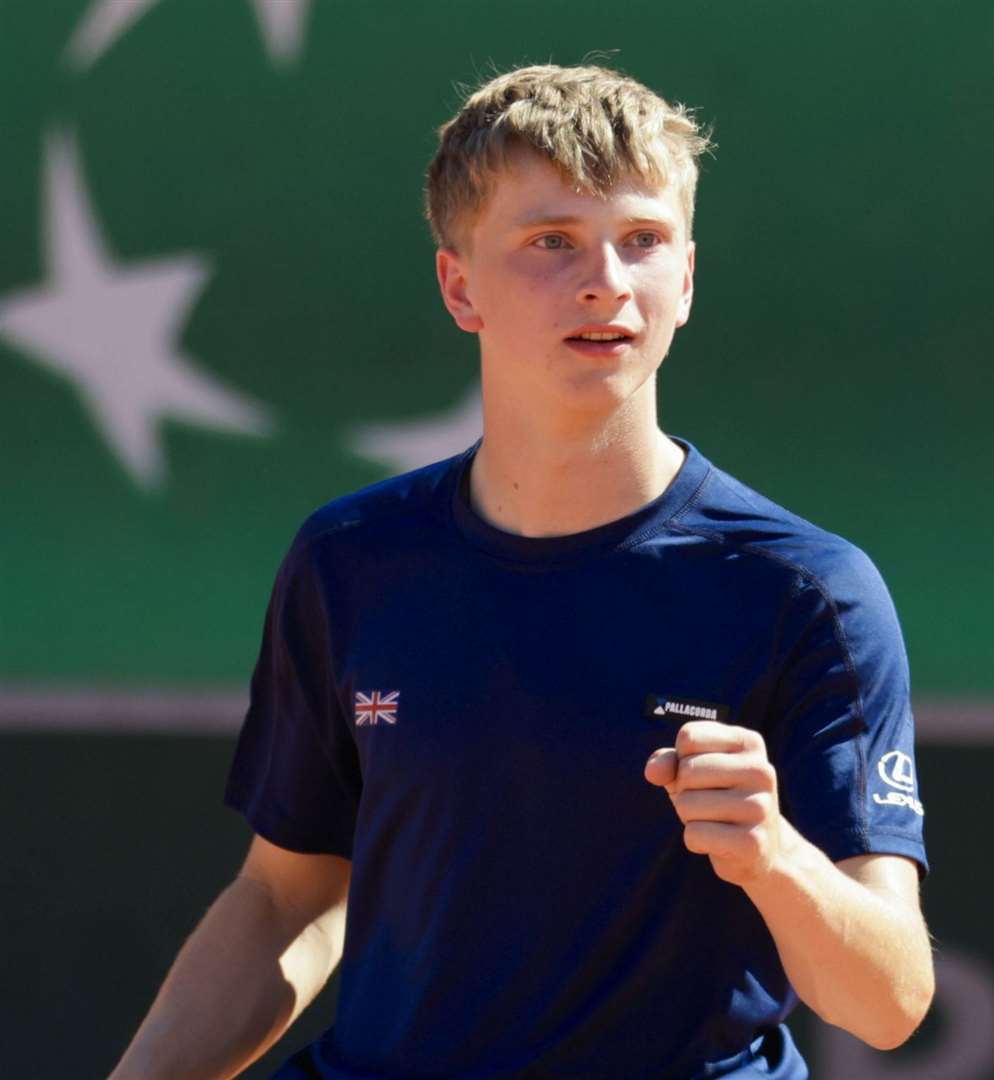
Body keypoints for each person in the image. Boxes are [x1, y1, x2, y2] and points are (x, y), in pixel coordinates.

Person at [112, 63, 934, 1080]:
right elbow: (288, 896)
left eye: (641, 241)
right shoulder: (350, 561)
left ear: (685, 277)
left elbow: (889, 1003)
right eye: (552, 243)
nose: (604, 281)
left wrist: (772, 857)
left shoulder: (807, 591)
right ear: (459, 285)